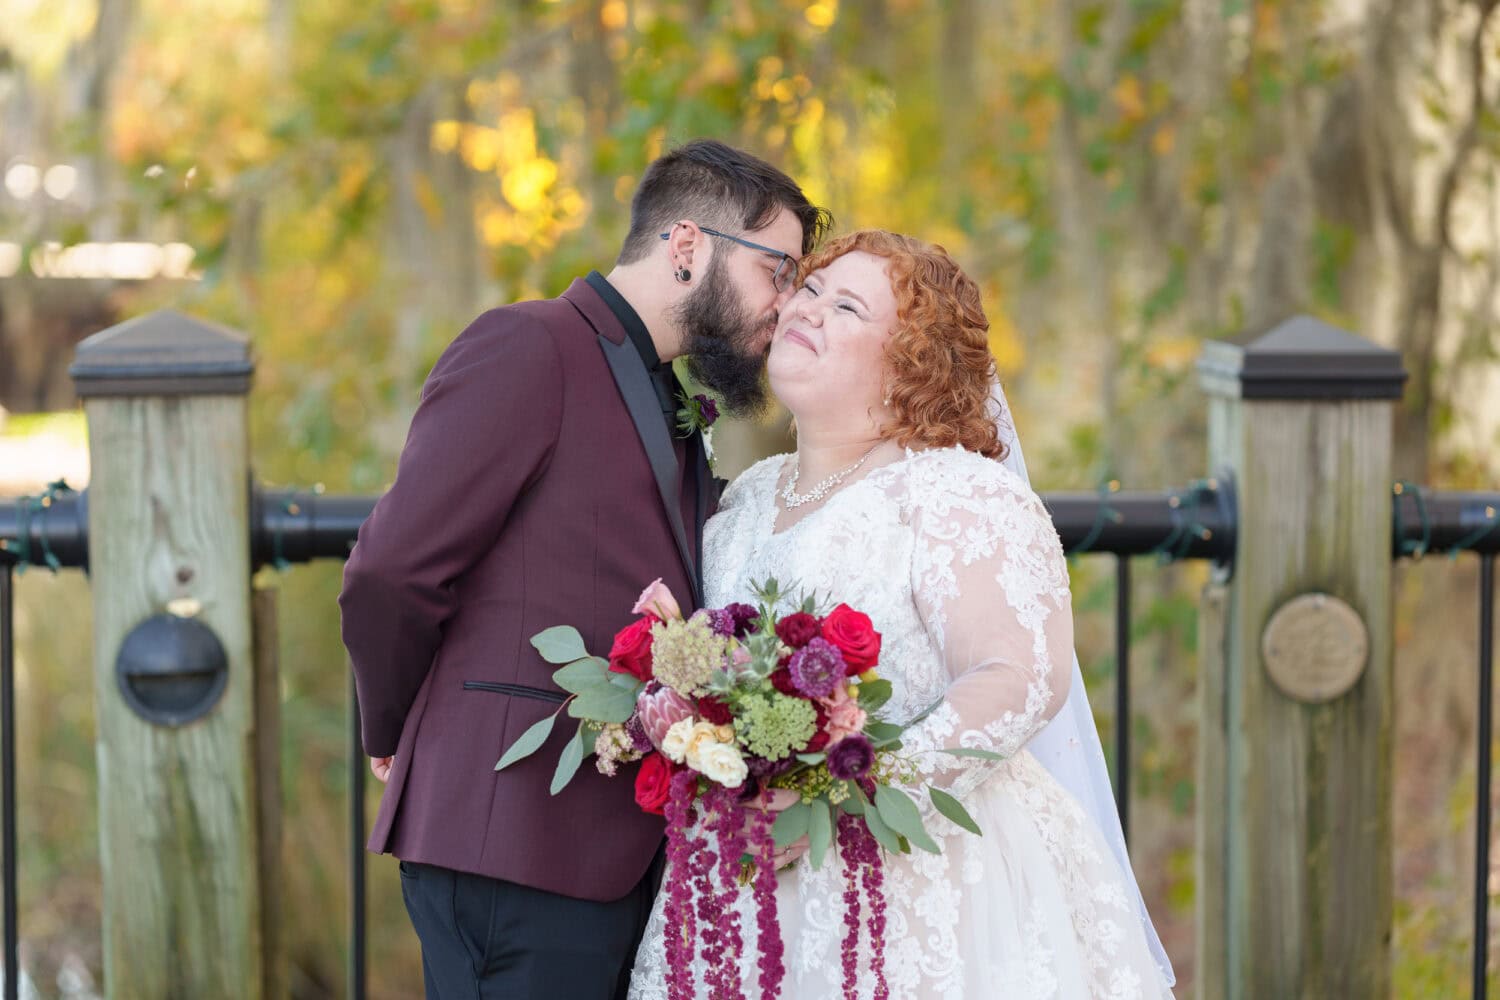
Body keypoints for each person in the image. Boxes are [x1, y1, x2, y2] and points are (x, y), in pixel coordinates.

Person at [338, 139, 831, 999]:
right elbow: (390, 571)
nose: (786, 305)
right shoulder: (526, 346)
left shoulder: (670, 392)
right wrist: (390, 729)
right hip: (511, 842)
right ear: (687, 246)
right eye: (778, 272)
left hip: (617, 854)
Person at [629, 230, 1175, 998]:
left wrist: (846, 790)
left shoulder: (957, 494)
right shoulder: (746, 501)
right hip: (746, 891)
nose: (807, 310)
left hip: (932, 889)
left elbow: (1018, 679)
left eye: (847, 306)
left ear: (909, 365)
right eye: (811, 291)